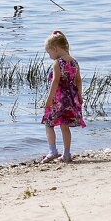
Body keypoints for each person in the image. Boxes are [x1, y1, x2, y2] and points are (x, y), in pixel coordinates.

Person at [40, 30, 86, 163]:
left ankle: (53, 151)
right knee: (64, 126)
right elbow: (78, 80)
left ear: (55, 48)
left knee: (49, 124)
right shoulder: (74, 62)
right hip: (71, 99)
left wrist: (49, 99)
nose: (50, 56)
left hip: (58, 99)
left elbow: (55, 81)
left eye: (49, 53)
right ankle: (66, 154)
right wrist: (79, 95)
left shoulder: (57, 63)